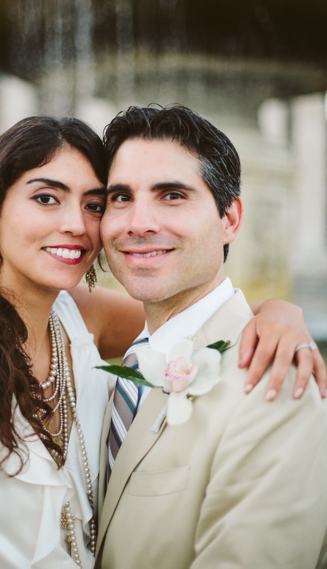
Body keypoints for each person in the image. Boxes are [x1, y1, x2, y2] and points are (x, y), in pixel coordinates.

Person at [0, 116, 324, 569]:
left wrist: (282, 312)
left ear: (229, 218)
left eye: (94, 204)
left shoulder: (81, 315)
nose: (76, 224)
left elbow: (198, 320)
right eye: (45, 198)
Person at [94, 105, 327, 568]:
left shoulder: (273, 384)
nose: (138, 223)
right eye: (120, 198)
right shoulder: (105, 366)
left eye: (172, 195)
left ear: (230, 219)